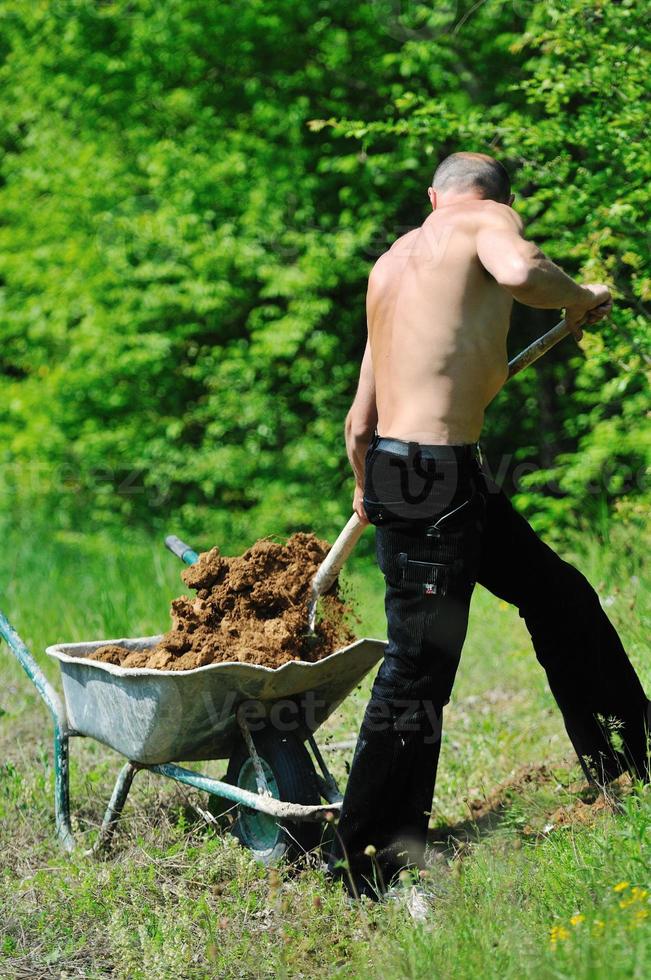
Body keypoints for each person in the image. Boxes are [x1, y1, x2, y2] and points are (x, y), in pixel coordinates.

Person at [327, 152, 650, 899]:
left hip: (415, 474)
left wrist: (365, 488)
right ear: (496, 199)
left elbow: (358, 420)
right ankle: (366, 856)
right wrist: (580, 296)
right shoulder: (485, 219)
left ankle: (627, 766)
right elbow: (520, 269)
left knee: (560, 598)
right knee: (417, 667)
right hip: (432, 475)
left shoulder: (390, 263)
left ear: (431, 193)